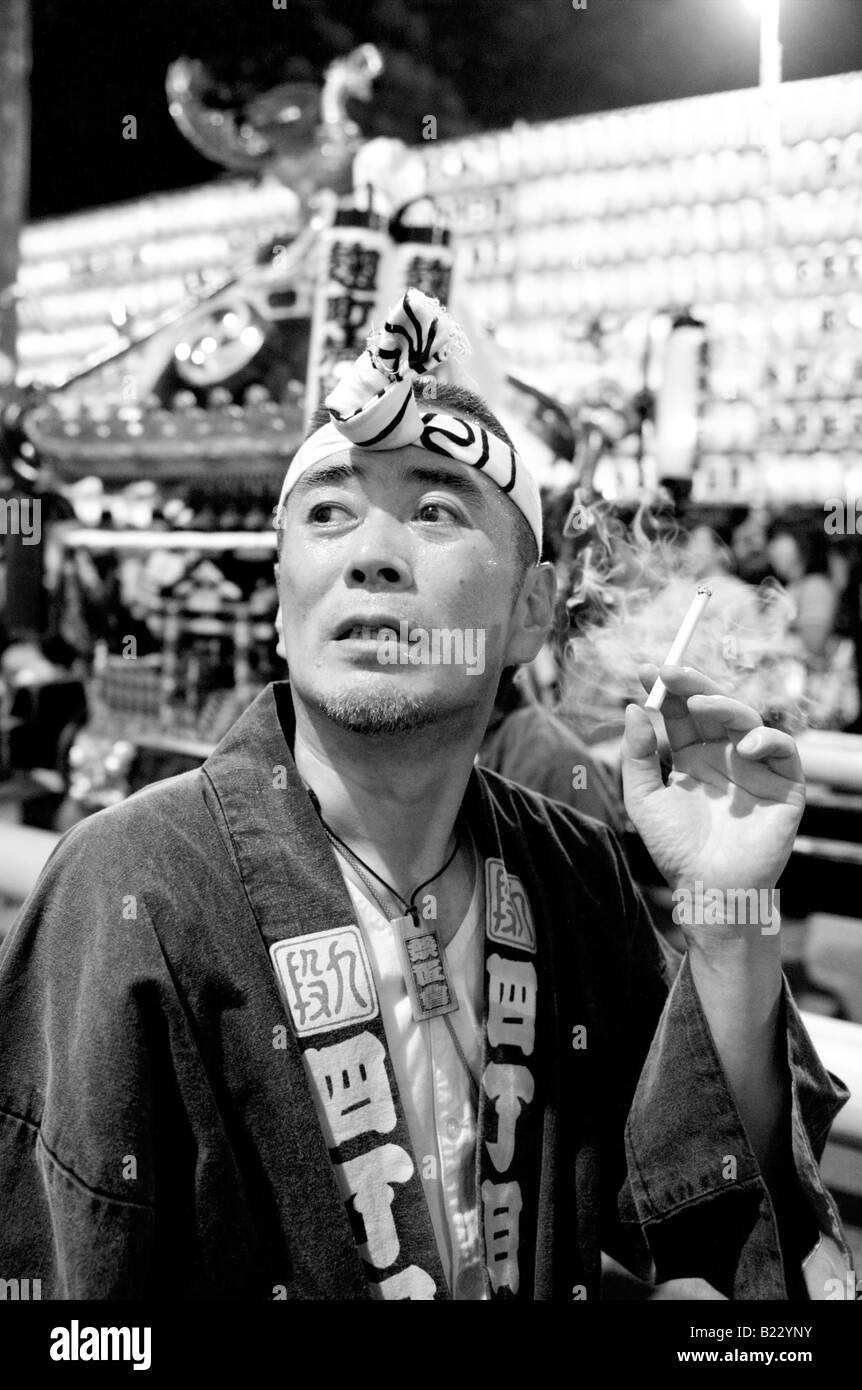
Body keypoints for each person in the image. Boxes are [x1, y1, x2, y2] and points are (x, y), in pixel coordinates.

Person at [0, 291, 851, 1301]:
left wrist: (727, 913)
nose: (367, 553)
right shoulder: (131, 883)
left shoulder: (569, 873)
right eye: (327, 513)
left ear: (530, 609)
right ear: (281, 601)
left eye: (434, 508)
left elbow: (703, 1204)